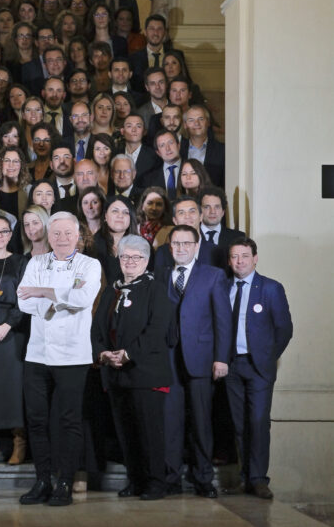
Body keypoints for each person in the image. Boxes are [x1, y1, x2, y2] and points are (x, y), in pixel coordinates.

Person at [17, 212, 102, 506]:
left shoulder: (90, 265)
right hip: (37, 353)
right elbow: (23, 301)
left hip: (73, 354)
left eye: (68, 233)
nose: (62, 238)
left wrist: (42, 291)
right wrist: (59, 299)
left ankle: (65, 481)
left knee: (69, 420)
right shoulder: (36, 262)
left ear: (78, 236)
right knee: (36, 419)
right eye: (56, 234)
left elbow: (83, 299)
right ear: (48, 236)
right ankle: (42, 480)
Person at [92, 235, 175, 499]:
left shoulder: (156, 289)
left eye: (136, 257)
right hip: (116, 374)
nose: (129, 261)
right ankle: (136, 480)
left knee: (149, 432)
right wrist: (103, 353)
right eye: (125, 256)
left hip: (146, 373)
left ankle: (156, 483)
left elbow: (157, 330)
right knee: (125, 432)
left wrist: (128, 354)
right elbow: (97, 329)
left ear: (146, 261)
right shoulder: (111, 290)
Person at [159, 224, 232, 497]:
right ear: (170, 247)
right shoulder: (161, 276)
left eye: (186, 243)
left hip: (201, 360)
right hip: (168, 360)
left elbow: (223, 321)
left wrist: (221, 358)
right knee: (170, 422)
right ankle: (170, 477)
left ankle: (203, 478)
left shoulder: (213, 275)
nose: (181, 248)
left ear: (196, 246)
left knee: (201, 422)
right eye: (176, 243)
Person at [224, 238, 293, 500]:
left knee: (258, 422)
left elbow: (284, 329)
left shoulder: (271, 288)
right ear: (229, 261)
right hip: (232, 366)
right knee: (239, 424)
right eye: (234, 256)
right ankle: (244, 478)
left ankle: (259, 479)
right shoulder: (224, 287)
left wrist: (267, 358)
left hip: (258, 367)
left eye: (244, 256)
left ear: (255, 258)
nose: (239, 261)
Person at [0, 216, 29, 468]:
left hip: (12, 330)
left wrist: (7, 324)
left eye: (4, 231)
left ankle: (19, 440)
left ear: (11, 235)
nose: (0, 235)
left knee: (13, 387)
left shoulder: (21, 262)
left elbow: (26, 299)